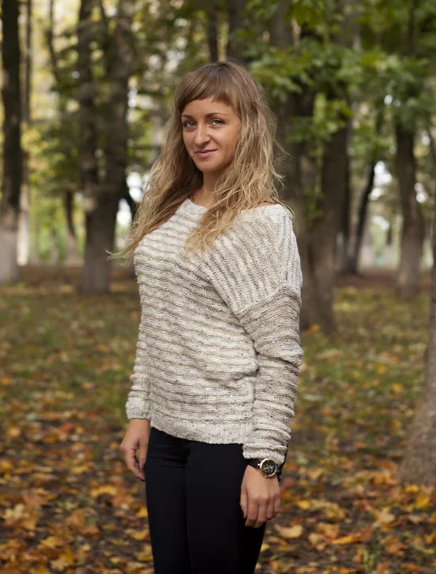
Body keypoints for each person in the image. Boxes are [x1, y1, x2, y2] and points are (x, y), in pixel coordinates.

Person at [115, 61, 304, 574]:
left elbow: (280, 354)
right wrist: (141, 411)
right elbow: (156, 322)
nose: (200, 135)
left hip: (228, 443)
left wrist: (265, 461)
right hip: (167, 439)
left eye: (217, 120)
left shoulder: (262, 223)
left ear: (247, 125)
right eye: (189, 122)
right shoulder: (172, 211)